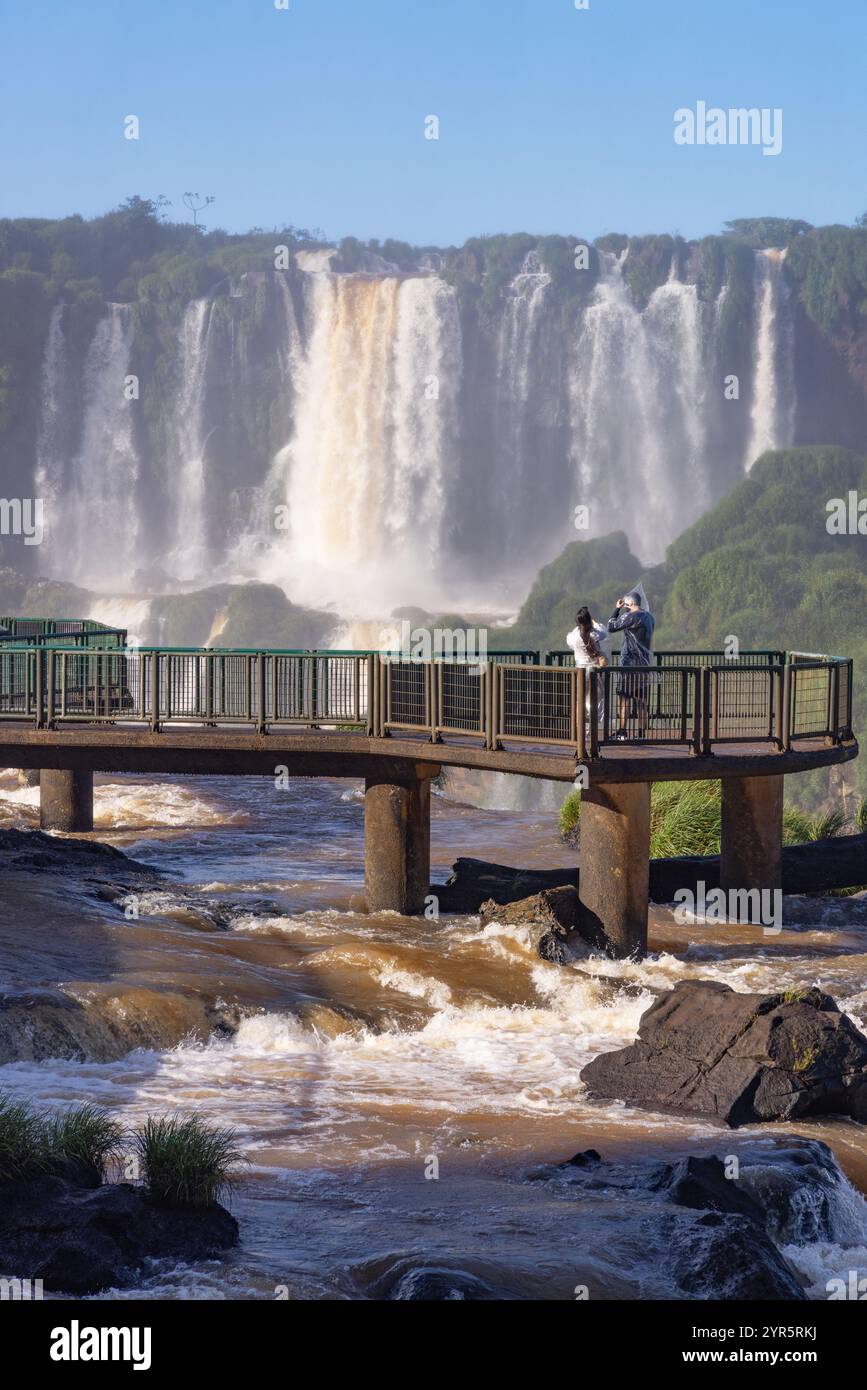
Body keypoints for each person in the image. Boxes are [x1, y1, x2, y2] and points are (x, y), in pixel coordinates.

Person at [607, 589, 655, 739]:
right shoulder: (649, 617)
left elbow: (611, 626)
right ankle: (641, 733)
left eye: (627, 605)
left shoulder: (631, 616)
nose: (626, 607)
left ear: (632, 603)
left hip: (628, 665)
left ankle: (623, 731)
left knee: (625, 698)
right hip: (644, 664)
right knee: (641, 700)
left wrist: (617, 608)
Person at [566, 606, 611, 727]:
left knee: (579, 700)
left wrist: (578, 626)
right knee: (595, 700)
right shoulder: (594, 634)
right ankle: (593, 727)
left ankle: (579, 728)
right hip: (594, 670)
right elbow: (604, 633)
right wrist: (594, 623)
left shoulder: (573, 637)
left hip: (580, 670)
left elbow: (569, 640)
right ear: (589, 620)